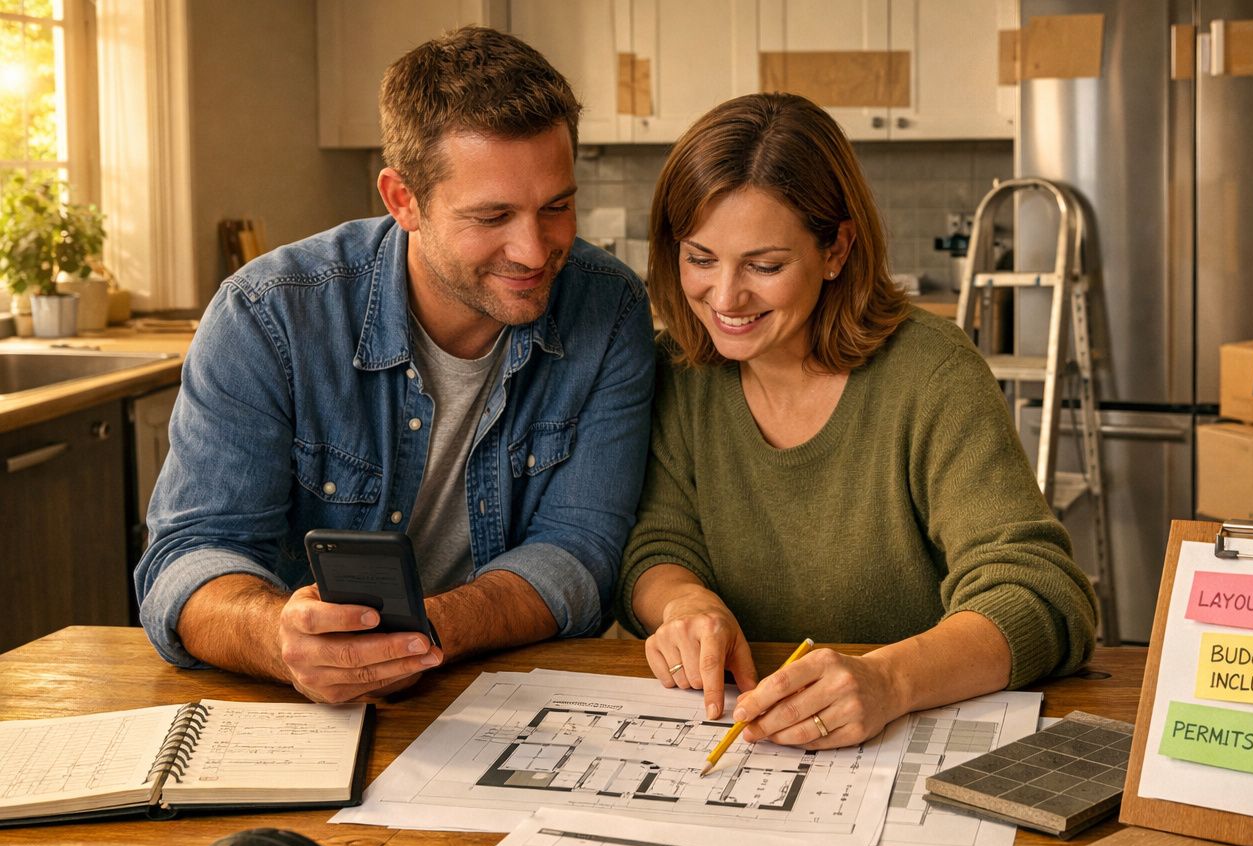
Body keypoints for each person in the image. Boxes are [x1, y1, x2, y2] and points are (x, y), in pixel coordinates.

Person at [135, 28, 655, 704]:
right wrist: (281, 638)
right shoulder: (267, 317)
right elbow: (189, 558)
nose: (533, 250)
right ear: (403, 200)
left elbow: (582, 550)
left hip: (508, 697)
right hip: (302, 706)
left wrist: (426, 631)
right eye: (493, 215)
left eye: (556, 207)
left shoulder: (609, 306)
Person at [617, 93, 1098, 749]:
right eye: (700, 258)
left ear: (837, 249)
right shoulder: (676, 369)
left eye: (765, 265)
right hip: (744, 740)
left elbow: (1040, 595)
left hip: (903, 743)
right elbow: (656, 546)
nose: (725, 298)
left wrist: (887, 681)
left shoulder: (930, 375)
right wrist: (684, 605)